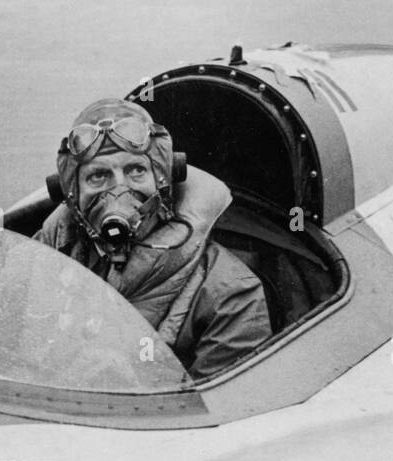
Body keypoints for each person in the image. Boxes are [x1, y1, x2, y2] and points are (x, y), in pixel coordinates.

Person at [33, 98, 272, 379]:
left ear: (163, 180)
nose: (119, 190)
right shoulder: (40, 259)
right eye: (98, 176)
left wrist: (134, 382)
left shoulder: (229, 295)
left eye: (136, 170)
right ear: (72, 194)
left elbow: (226, 410)